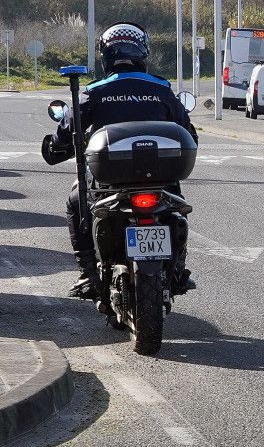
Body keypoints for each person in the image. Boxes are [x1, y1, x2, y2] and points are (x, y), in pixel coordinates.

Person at [41, 22, 197, 300]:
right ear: (143, 53)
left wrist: (56, 146)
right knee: (175, 203)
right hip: (159, 179)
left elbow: (66, 133)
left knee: (76, 201)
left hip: (108, 184)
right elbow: (189, 133)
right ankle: (178, 269)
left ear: (106, 55)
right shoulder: (162, 89)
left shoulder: (93, 91)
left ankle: (89, 273)